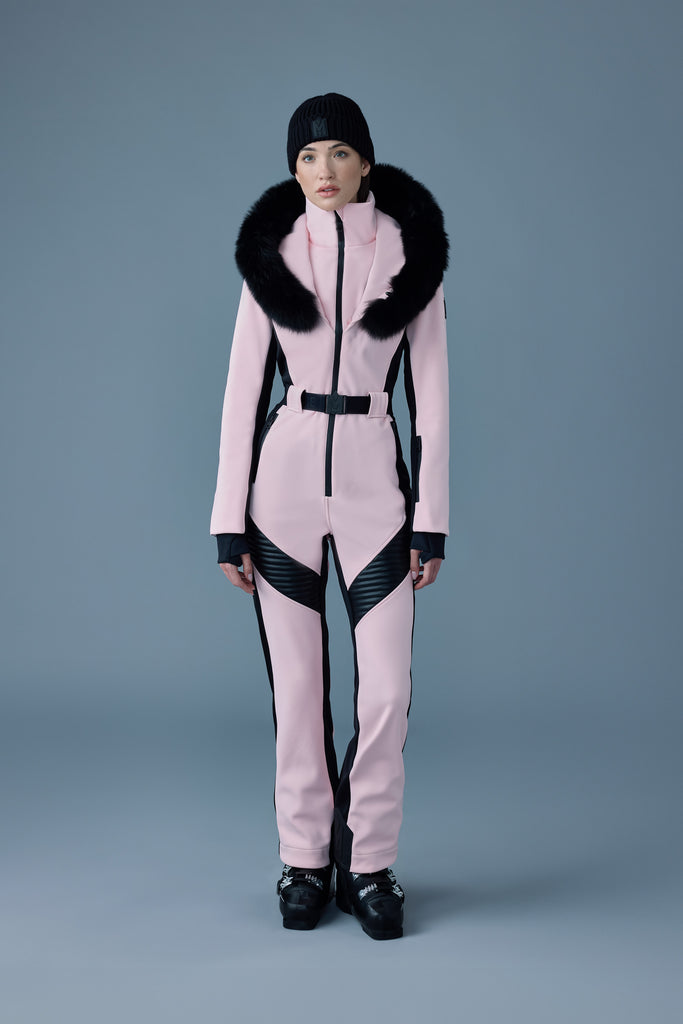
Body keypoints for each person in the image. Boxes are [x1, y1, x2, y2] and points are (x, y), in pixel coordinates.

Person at [209, 93, 449, 940]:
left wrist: (431, 518)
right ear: (293, 168)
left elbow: (432, 400)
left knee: (386, 690)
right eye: (307, 157)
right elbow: (243, 392)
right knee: (298, 690)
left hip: (375, 492)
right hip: (279, 492)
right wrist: (227, 520)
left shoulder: (410, 255)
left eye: (339, 153)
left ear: (365, 163)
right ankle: (305, 861)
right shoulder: (271, 257)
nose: (323, 170)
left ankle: (370, 863)